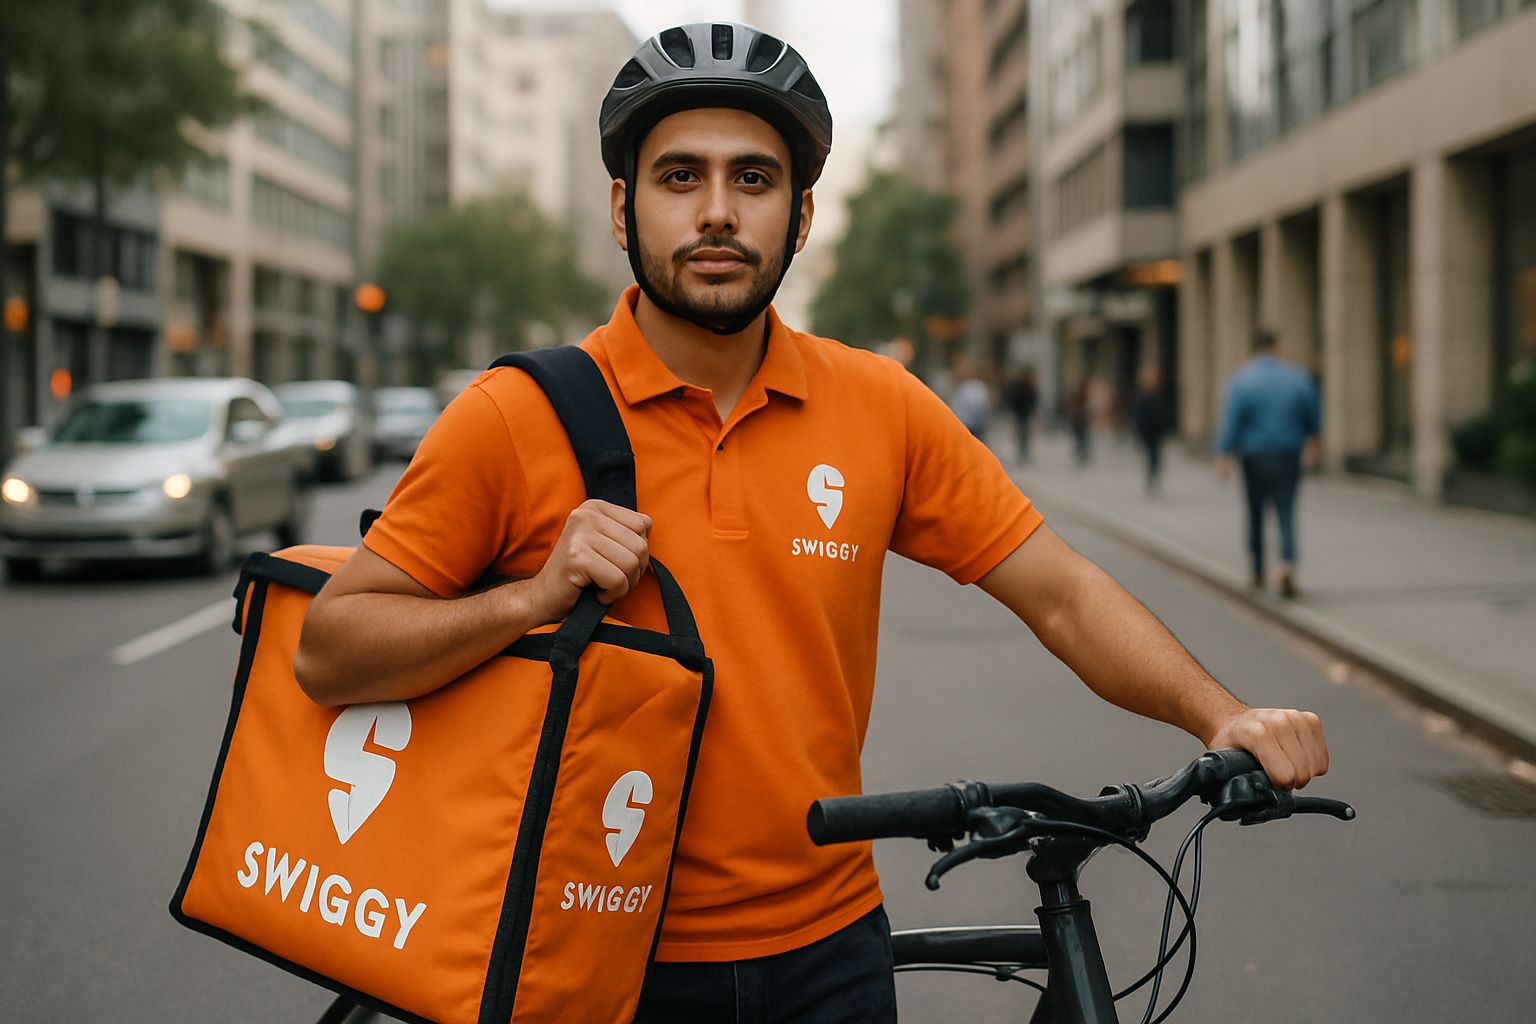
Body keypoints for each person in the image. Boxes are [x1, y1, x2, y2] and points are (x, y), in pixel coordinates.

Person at [295, 24, 1328, 1023]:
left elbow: (1058, 593)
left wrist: (1218, 714)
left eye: (752, 179)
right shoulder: (514, 416)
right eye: (679, 176)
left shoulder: (879, 406)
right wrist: (528, 597)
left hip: (830, 952)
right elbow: (334, 650)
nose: (717, 212)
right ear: (623, 207)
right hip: (595, 953)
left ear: (800, 213)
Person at [1215, 329, 1322, 598]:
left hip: (1255, 456)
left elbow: (1233, 421)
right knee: (1286, 511)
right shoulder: (1297, 378)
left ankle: (1258, 570)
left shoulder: (1241, 380)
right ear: (1276, 347)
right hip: (1287, 454)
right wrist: (1312, 445)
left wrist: (1223, 454)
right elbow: (1312, 415)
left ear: (1254, 349)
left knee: (1255, 513)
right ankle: (1286, 563)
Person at [1132, 365, 1169, 494]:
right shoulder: (1143, 398)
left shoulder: (1156, 395)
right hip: (1148, 434)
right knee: (1153, 458)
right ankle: (1151, 480)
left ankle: (1152, 479)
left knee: (1155, 459)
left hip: (1156, 434)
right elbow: (1140, 418)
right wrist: (1141, 434)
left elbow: (1162, 414)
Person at [948, 354, 990, 442]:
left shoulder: (976, 387)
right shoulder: (958, 386)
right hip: (959, 425)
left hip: (971, 426)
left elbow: (980, 409)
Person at [1003, 365, 1039, 463]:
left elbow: (1034, 399)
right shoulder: (1018, 385)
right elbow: (1011, 397)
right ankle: (1022, 451)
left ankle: (1025, 451)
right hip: (1019, 413)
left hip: (1026, 413)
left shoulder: (1030, 386)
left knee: (1025, 433)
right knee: (1021, 432)